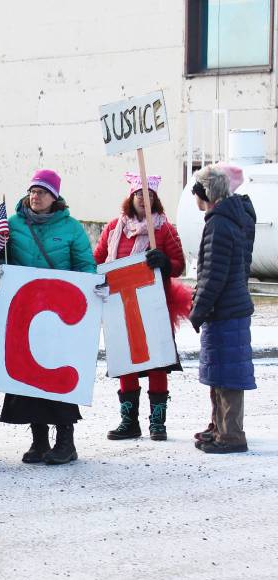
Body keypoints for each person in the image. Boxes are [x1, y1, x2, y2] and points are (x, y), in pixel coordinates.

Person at [0, 169, 96, 465]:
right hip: (25, 313)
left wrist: (90, 287)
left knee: (58, 374)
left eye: (42, 192)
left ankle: (65, 441)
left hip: (59, 316)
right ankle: (38, 440)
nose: (35, 196)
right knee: (28, 375)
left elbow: (85, 265)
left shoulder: (72, 228)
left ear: (55, 197)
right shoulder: (12, 225)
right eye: (32, 191)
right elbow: (1, 256)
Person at [93, 173, 191, 441]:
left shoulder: (164, 229)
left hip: (154, 304)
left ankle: (157, 423)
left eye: (149, 196)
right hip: (120, 307)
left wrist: (164, 262)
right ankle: (129, 421)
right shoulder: (114, 228)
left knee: (157, 361)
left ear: (155, 200)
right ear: (131, 198)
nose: (143, 200)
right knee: (126, 362)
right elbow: (98, 260)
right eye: (139, 195)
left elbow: (179, 264)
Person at [189, 163, 256, 454]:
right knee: (219, 371)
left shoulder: (218, 223)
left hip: (226, 308)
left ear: (205, 193)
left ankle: (232, 436)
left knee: (228, 375)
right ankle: (220, 427)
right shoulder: (230, 218)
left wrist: (198, 309)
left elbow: (213, 275)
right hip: (230, 306)